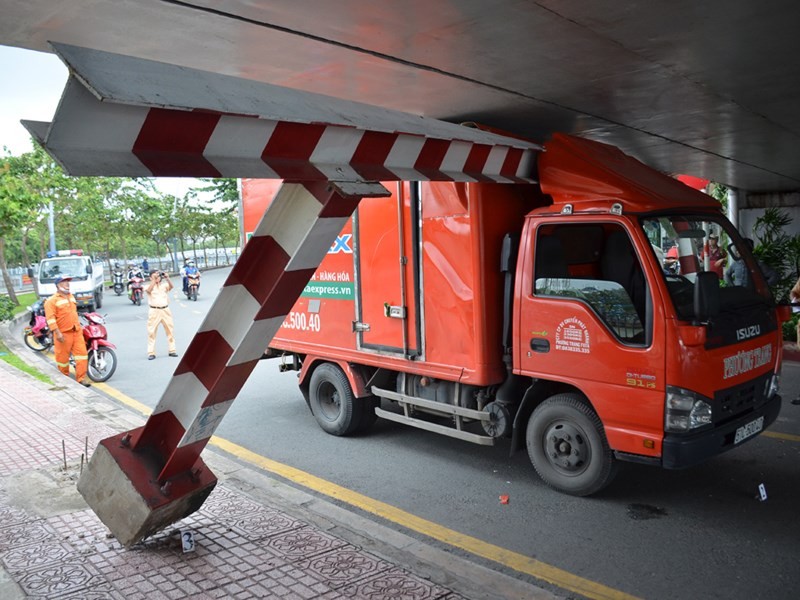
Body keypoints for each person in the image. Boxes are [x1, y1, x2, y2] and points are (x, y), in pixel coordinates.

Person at [44, 275, 91, 387]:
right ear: (58, 285)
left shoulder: (71, 297)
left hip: (76, 331)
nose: (67, 284)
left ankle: (81, 378)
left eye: (68, 282)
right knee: (62, 358)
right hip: (63, 333)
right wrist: (57, 332)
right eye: (64, 282)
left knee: (82, 355)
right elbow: (50, 319)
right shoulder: (51, 301)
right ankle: (64, 378)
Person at [144, 269, 178, 360]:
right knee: (151, 332)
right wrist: (153, 281)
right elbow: (148, 291)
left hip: (165, 310)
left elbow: (171, 287)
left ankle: (172, 350)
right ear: (150, 277)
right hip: (154, 311)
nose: (157, 277)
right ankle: (151, 352)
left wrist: (167, 278)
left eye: (158, 276)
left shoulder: (164, 286)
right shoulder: (148, 286)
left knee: (170, 331)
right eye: (155, 276)